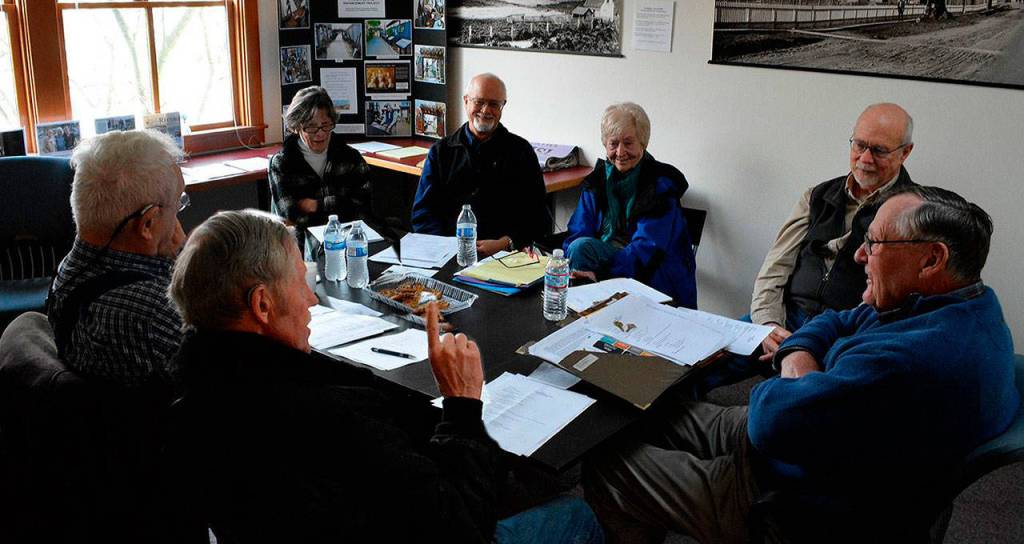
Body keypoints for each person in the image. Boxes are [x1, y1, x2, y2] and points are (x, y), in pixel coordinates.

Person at [583, 185, 1019, 543]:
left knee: (606, 465)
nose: (859, 256)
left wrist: (796, 377)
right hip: (814, 439)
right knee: (653, 412)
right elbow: (835, 319)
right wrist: (801, 363)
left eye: (875, 243)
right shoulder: (962, 303)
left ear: (932, 259)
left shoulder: (912, 360)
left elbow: (769, 420)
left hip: (796, 501)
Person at [162, 209, 603, 543]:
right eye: (300, 282)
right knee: (578, 511)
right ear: (262, 305)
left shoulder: (197, 390)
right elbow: (459, 525)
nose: (312, 300)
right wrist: (462, 405)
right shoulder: (320, 418)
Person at [46, 129, 187, 388]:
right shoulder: (154, 314)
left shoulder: (69, 268)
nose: (178, 218)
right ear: (147, 223)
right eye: (178, 204)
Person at [562, 102, 697, 308]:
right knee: (577, 248)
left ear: (643, 143)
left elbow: (648, 249)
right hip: (610, 264)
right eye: (613, 143)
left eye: (628, 143)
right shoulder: (597, 181)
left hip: (654, 274)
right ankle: (586, 314)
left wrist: (600, 274)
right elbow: (578, 230)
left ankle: (587, 313)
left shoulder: (660, 186)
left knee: (582, 250)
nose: (620, 152)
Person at [411, 73, 551, 257]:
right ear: (466, 101)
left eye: (494, 104)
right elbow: (422, 215)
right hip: (448, 255)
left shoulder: (521, 152)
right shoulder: (441, 152)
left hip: (506, 257)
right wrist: (452, 248)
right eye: (479, 102)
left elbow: (539, 219)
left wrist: (506, 243)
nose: (485, 110)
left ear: (503, 106)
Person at [269, 86, 371, 253]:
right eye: (311, 127)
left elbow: (364, 207)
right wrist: (340, 205)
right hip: (302, 249)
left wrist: (316, 205)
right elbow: (292, 217)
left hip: (348, 242)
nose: (320, 134)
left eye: (325, 125)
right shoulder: (282, 163)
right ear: (296, 127)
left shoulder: (350, 157)